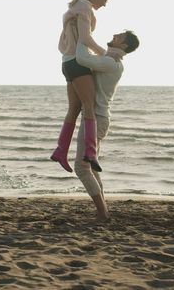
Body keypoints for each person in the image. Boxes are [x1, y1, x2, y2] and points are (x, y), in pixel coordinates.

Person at [74, 31, 140, 222]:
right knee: (91, 169)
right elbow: (98, 54)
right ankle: (103, 211)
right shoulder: (110, 59)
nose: (115, 34)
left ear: (124, 45)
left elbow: (81, 58)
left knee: (81, 168)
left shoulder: (111, 63)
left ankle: (102, 213)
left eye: (119, 36)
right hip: (97, 119)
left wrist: (81, 34)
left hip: (96, 119)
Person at [51, 0, 112, 174]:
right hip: (78, 63)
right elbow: (85, 39)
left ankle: (61, 151)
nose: (105, 4)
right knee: (89, 106)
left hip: (66, 63)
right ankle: (91, 152)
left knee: (74, 108)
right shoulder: (85, 8)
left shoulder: (73, 8)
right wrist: (105, 54)